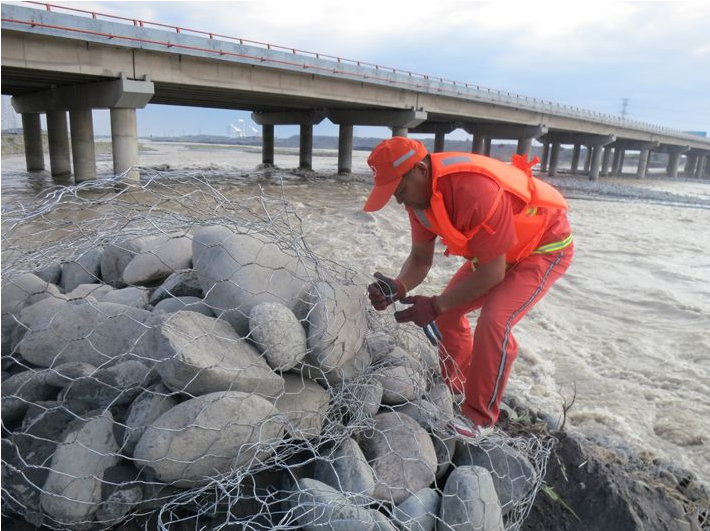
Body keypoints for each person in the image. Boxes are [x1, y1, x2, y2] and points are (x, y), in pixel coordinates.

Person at [363, 136, 573, 438]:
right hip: (497, 253)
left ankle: (480, 417)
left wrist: (435, 305)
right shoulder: (418, 202)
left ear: (420, 170)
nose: (399, 200)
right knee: (448, 316)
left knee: (495, 320)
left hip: (543, 248)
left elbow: (492, 273)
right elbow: (421, 260)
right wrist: (398, 286)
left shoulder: (473, 191)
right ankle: (456, 386)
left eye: (399, 189)